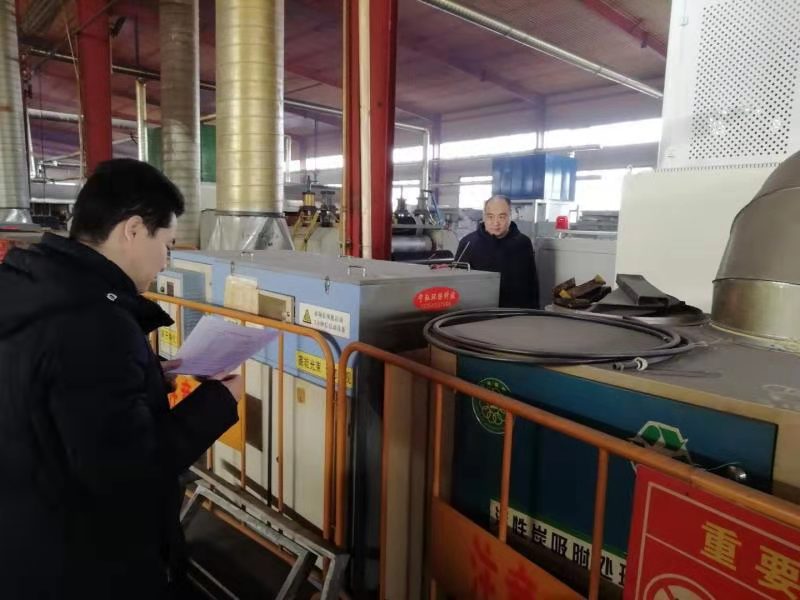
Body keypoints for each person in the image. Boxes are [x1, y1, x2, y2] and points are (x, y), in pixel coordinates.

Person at [0, 159, 242, 599]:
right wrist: (219, 402)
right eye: (167, 244)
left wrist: (146, 377)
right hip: (85, 564)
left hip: (26, 535)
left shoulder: (28, 289)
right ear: (132, 230)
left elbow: (51, 394)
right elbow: (130, 472)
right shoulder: (96, 323)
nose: (166, 261)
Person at [455, 194, 539, 308]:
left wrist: (534, 312)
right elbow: (457, 285)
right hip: (478, 313)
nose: (495, 223)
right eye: (490, 216)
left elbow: (532, 283)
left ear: (510, 216)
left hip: (516, 313)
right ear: (484, 216)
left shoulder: (523, 243)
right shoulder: (468, 243)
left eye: (501, 217)